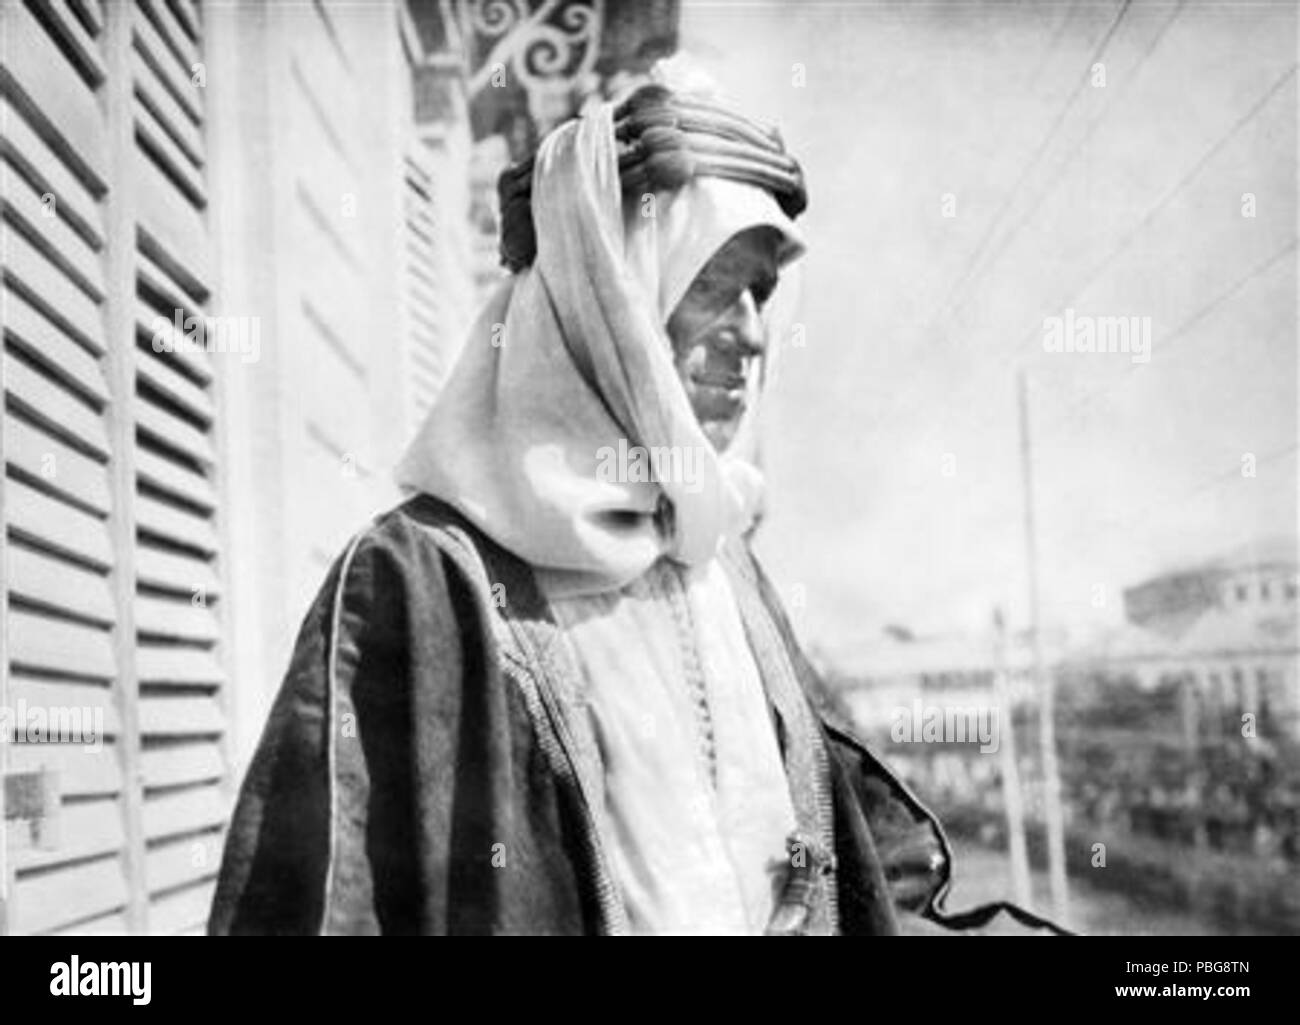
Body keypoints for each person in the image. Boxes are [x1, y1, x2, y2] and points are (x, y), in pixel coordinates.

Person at [208, 83, 1061, 936]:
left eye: (761, 293)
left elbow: (864, 878)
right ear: (605, 293)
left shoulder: (723, 563)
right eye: (714, 281)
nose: (751, 332)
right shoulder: (420, 581)